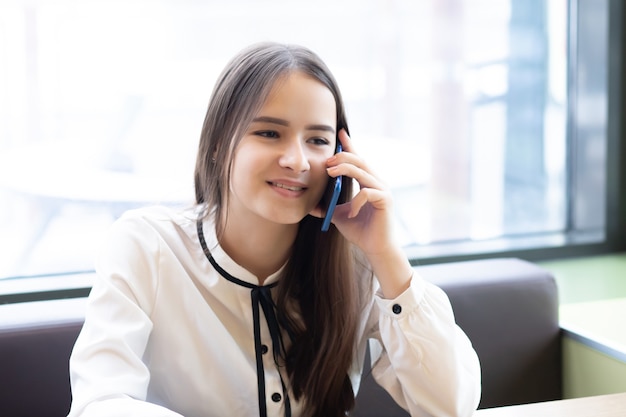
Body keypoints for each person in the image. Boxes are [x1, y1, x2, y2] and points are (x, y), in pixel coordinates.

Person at [67, 42, 481, 417]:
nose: (297, 160)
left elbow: (451, 405)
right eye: (269, 133)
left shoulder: (357, 259)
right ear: (218, 144)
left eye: (317, 140)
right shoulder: (147, 246)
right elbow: (101, 404)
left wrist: (387, 257)